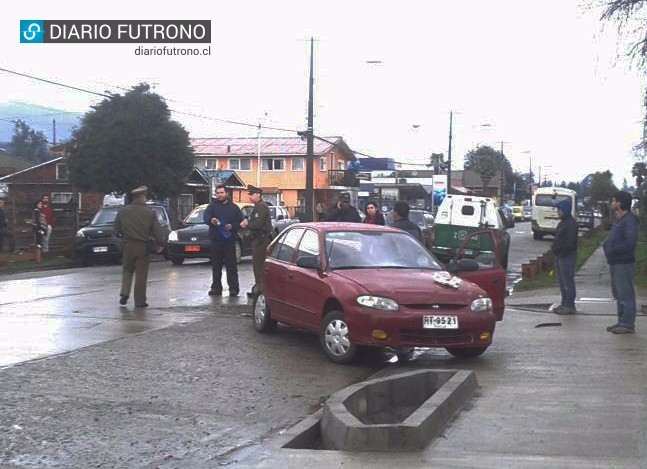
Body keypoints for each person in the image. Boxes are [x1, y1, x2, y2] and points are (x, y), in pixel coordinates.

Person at [114, 185, 166, 308]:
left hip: (127, 246)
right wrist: (160, 244)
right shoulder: (149, 213)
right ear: (141, 197)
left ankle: (124, 293)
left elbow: (116, 228)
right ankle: (139, 301)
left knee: (127, 270)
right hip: (142, 247)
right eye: (145, 197)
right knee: (141, 275)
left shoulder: (123, 211)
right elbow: (157, 231)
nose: (146, 199)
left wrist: (124, 235)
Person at [603, 191, 639, 334]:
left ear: (621, 203)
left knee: (625, 294)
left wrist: (613, 250)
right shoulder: (620, 220)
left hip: (623, 263)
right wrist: (607, 246)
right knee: (619, 294)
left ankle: (627, 323)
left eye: (614, 201)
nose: (612, 203)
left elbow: (630, 243)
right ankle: (621, 320)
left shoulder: (629, 221)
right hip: (615, 263)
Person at [203, 184, 245, 297]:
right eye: (217, 193)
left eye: (221, 192)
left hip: (229, 241)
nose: (219, 195)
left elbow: (241, 223)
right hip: (216, 241)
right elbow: (205, 218)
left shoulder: (234, 208)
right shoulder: (212, 207)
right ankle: (216, 288)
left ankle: (233, 289)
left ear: (226, 193)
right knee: (216, 266)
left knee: (231, 266)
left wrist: (232, 226)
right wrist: (211, 220)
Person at [551, 198, 579, 315]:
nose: (558, 211)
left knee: (567, 281)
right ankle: (564, 303)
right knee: (562, 282)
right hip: (560, 256)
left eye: (559, 209)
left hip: (566, 257)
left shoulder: (571, 224)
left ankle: (569, 305)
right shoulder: (562, 223)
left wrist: (561, 251)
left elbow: (570, 243)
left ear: (565, 210)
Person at [245, 185, 272, 298]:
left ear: (258, 195)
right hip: (259, 239)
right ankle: (259, 288)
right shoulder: (258, 206)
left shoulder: (260, 207)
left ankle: (260, 291)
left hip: (261, 240)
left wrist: (247, 224)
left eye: (252, 194)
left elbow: (258, 223)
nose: (250, 197)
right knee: (258, 265)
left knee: (259, 266)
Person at [32, 200, 48, 264]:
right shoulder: (36, 211)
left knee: (40, 240)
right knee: (38, 241)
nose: (41, 205)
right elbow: (37, 221)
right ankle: (37, 256)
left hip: (41, 228)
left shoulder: (39, 211)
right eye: (39, 204)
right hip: (39, 229)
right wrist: (40, 229)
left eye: (41, 204)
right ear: (36, 205)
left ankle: (39, 255)